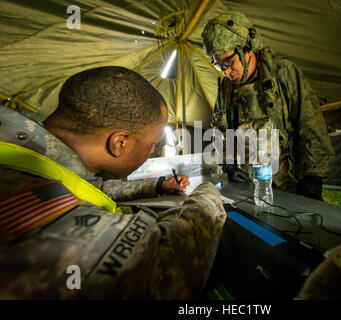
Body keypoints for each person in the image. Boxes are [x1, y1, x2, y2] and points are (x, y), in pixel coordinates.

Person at [0, 66, 226, 299]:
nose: (152, 150)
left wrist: (158, 185)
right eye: (153, 142)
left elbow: (91, 187)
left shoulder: (25, 147)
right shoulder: (33, 207)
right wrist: (208, 196)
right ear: (119, 142)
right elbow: (164, 267)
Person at [201, 12, 334, 200]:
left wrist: (313, 176)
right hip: (250, 189)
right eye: (219, 65)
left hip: (291, 187)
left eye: (229, 62)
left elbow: (311, 127)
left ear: (247, 48)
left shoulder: (284, 74)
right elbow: (221, 132)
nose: (227, 71)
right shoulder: (226, 89)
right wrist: (229, 164)